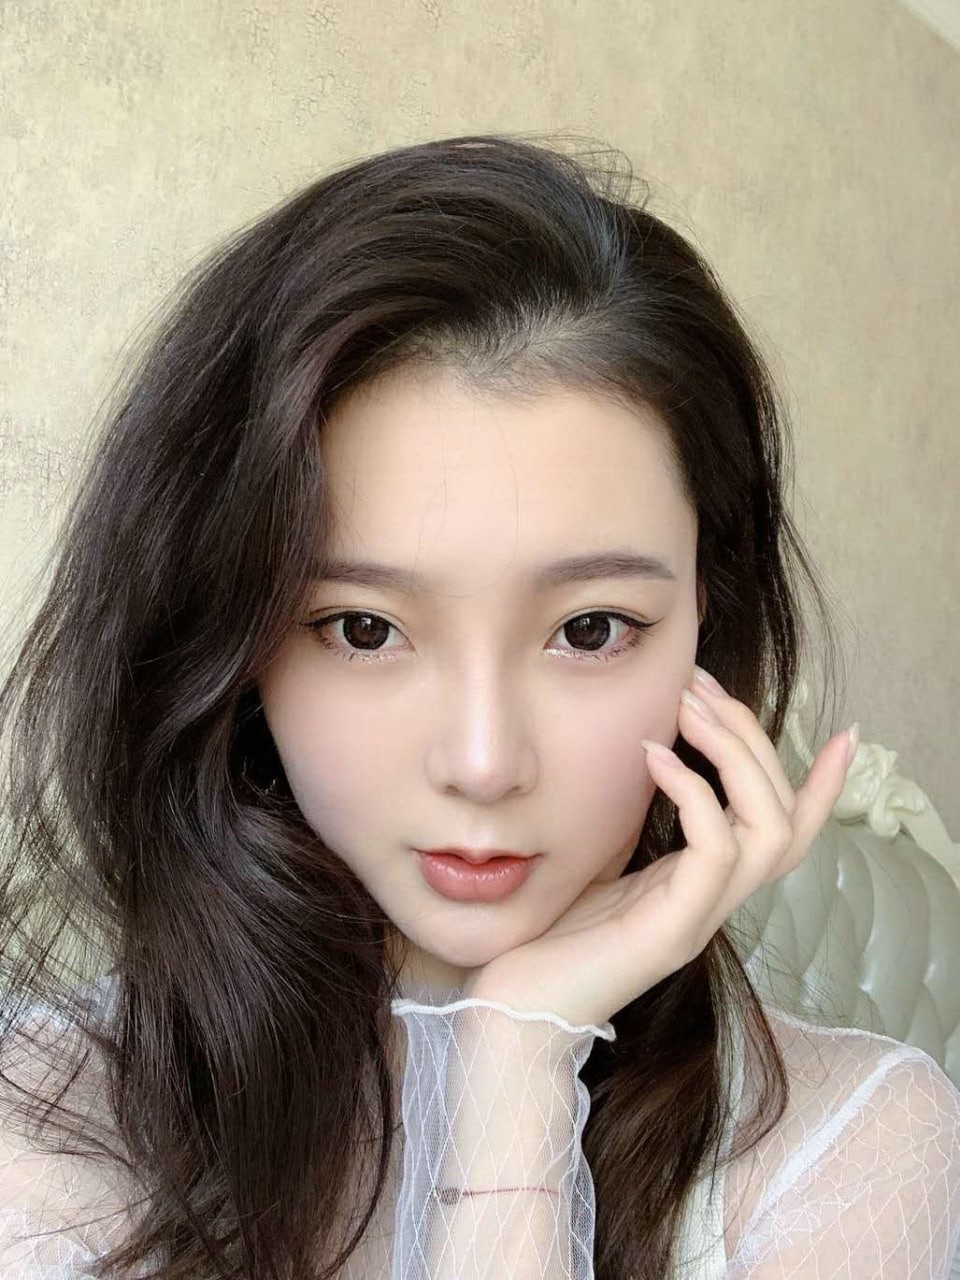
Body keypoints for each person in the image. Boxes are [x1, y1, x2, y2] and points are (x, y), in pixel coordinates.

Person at [0, 132, 957, 1279]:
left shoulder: (853, 1150)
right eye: (364, 628)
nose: (484, 760)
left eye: (590, 629)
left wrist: (517, 1064)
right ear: (234, 641)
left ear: (708, 616)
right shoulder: (50, 1121)